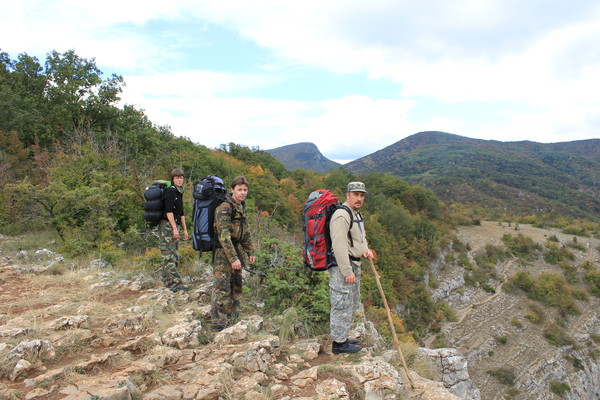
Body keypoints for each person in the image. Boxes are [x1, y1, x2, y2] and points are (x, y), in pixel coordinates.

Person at [329, 181, 375, 354]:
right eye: (356, 194)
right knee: (341, 303)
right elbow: (339, 245)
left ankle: (343, 338)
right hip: (343, 266)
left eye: (362, 195)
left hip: (355, 263)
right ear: (347, 195)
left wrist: (365, 250)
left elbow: (359, 238)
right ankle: (338, 344)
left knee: (351, 303)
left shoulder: (355, 213)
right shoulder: (342, 215)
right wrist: (346, 271)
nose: (359, 198)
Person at [211, 176, 255, 331]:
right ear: (232, 190)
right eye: (239, 189)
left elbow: (245, 231)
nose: (243, 193)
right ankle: (218, 323)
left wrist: (250, 250)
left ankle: (233, 318)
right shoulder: (225, 207)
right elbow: (224, 235)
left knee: (236, 286)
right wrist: (233, 258)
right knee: (222, 288)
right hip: (224, 253)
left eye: (245, 190)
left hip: (236, 250)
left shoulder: (241, 207)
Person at [159, 168, 189, 292]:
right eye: (177, 178)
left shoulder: (179, 192)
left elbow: (181, 213)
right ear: (172, 179)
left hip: (174, 224)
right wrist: (174, 229)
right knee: (168, 254)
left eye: (181, 177)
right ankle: (175, 284)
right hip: (166, 225)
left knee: (174, 254)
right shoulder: (170, 192)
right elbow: (168, 211)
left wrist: (185, 230)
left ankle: (167, 281)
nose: (180, 179)